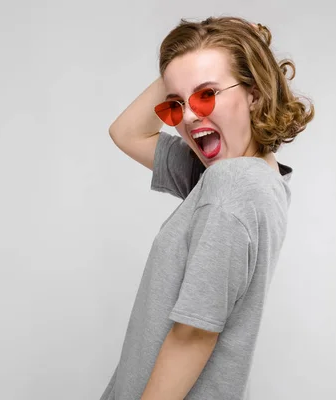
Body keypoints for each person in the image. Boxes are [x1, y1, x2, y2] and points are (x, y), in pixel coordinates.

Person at [101, 16, 314, 400]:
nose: (187, 116)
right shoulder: (252, 177)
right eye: (176, 104)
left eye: (206, 94)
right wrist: (185, 66)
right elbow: (126, 132)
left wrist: (242, 50)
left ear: (254, 92)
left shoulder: (230, 185)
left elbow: (194, 334)